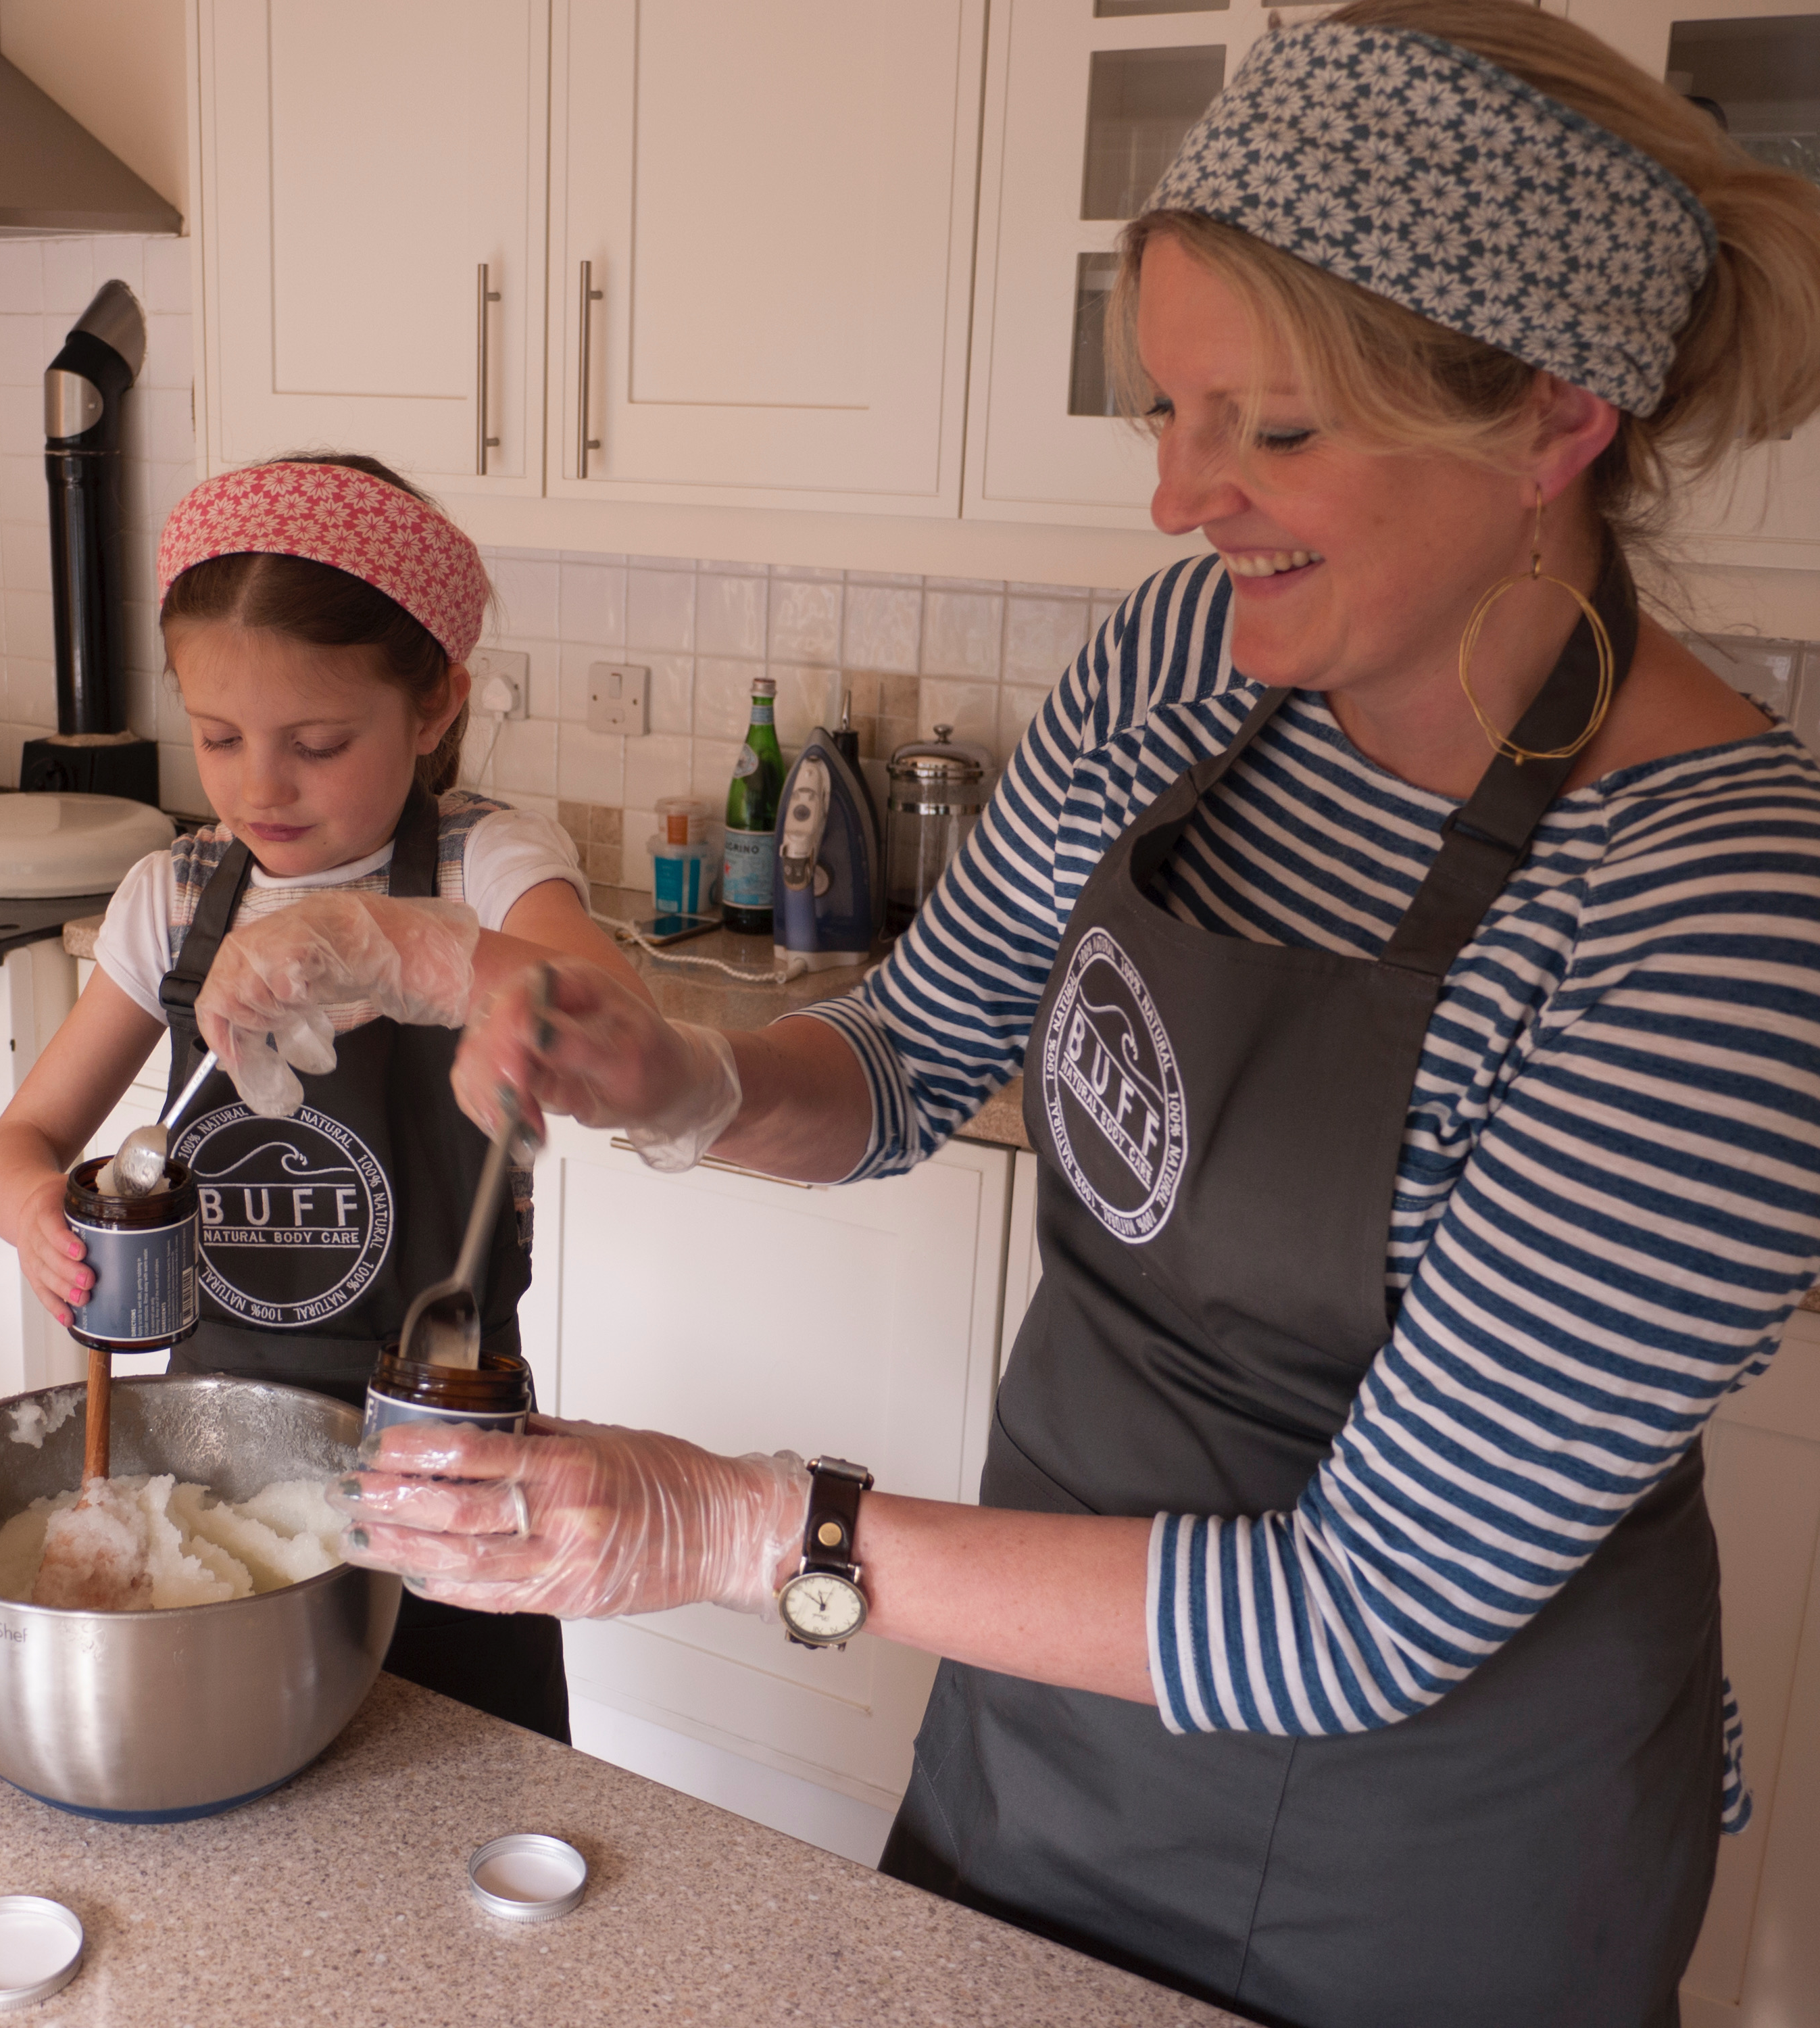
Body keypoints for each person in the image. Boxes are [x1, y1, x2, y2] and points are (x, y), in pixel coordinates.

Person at [327, 4, 1820, 2023]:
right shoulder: (1199, 661)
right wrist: (669, 1079)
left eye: (1273, 431)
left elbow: (1363, 1613)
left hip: (1428, 1867)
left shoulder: (1722, 915)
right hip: (1043, 1722)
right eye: (1166, 414)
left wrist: (729, 1523)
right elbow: (907, 1060)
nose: (1182, 500)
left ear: (1558, 425)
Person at [0, 452, 649, 1742]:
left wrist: (401, 948)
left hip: (444, 1463)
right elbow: (24, 1142)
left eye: (318, 744)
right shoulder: (168, 897)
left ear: (436, 705)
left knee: (459, 1775)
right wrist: (33, 1218)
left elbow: (600, 1004)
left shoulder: (485, 861)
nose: (260, 788)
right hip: (208, 1472)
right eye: (219, 738)